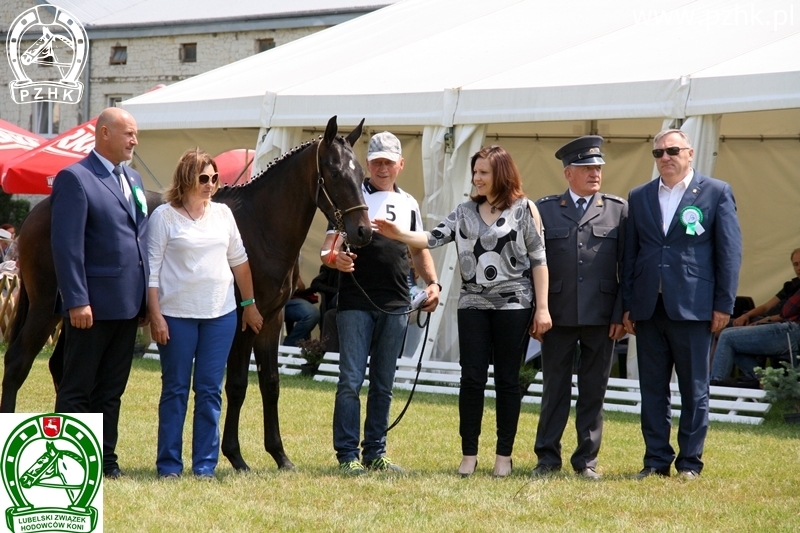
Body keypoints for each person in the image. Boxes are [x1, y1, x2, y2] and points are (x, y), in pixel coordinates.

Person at [374, 145, 551, 478]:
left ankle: (504, 456)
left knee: (508, 381)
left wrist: (542, 308)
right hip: (471, 305)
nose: (477, 178)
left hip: (515, 305)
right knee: (472, 379)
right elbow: (431, 237)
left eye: (483, 172)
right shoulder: (464, 211)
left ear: (501, 173)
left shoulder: (526, 210)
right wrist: (398, 234)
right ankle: (468, 454)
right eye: (475, 172)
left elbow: (540, 260)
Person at [622, 128, 742, 479]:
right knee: (653, 389)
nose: (665, 158)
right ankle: (655, 461)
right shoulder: (640, 195)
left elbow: (729, 252)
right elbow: (632, 255)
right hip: (648, 307)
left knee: (694, 389)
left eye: (673, 151)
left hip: (694, 305)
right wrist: (628, 304)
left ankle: (690, 462)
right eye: (658, 153)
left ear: (690, 153)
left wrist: (724, 304)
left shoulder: (716, 192)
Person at [321, 131, 440, 476]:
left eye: (389, 162)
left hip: (397, 303)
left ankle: (375, 452)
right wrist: (334, 259)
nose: (383, 168)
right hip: (356, 301)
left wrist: (433, 283)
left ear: (400, 165)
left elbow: (419, 249)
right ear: (366, 165)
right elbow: (328, 247)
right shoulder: (351, 196)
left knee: (384, 382)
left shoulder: (410, 204)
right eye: (376, 162)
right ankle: (347, 455)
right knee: (351, 380)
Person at [147, 148, 262, 479]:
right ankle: (169, 466)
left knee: (210, 391)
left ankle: (204, 467)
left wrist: (248, 305)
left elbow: (239, 262)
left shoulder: (224, 214)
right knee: (176, 389)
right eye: (203, 178)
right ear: (186, 179)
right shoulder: (164, 218)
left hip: (221, 316)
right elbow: (152, 273)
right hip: (176, 316)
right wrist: (155, 315)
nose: (211, 184)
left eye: (215, 178)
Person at [51, 107, 149, 479]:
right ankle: (68, 461)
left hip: (127, 305)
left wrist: (142, 301)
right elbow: (66, 246)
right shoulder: (75, 178)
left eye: (135, 134)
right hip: (90, 306)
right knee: (77, 390)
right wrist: (77, 299)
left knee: (111, 391)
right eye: (128, 134)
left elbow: (136, 240)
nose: (134, 141)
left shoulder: (134, 179)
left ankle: (105, 461)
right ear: (104, 133)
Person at [532, 135, 627, 480]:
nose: (595, 173)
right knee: (553, 388)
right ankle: (547, 457)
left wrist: (620, 313)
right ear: (568, 173)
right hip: (556, 315)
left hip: (602, 317)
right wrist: (536, 311)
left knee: (593, 391)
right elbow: (532, 265)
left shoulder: (617, 209)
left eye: (598, 167)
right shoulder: (544, 210)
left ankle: (586, 460)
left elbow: (627, 268)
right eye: (587, 168)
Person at [709, 248, 800, 384]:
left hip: (790, 332)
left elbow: (786, 312)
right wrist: (748, 315)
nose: (798, 268)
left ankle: (715, 384)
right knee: (728, 336)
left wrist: (764, 320)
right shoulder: (791, 285)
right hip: (782, 328)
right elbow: (766, 306)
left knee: (727, 336)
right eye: (795, 264)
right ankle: (764, 382)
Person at [282, 270, 321, 347]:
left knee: (312, 313)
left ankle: (290, 344)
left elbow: (301, 288)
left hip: (289, 301)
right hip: (266, 302)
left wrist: (296, 278)